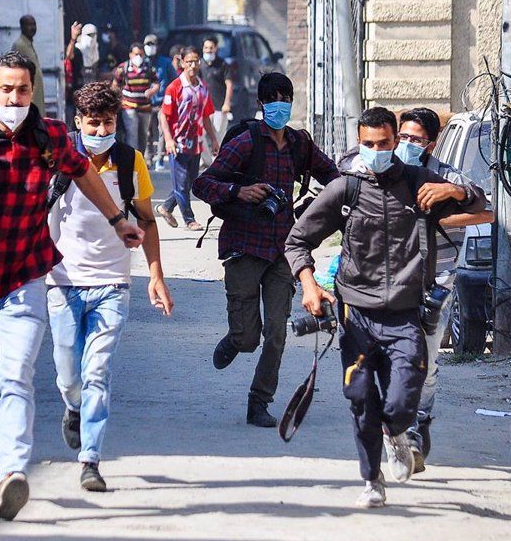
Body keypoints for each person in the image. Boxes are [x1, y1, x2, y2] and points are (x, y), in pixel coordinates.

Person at [0, 51, 144, 521]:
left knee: (17, 377)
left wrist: (118, 219)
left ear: (32, 91)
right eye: (6, 89)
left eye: (22, 89)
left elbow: (84, 173)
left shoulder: (50, 136)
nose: (14, 98)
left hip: (26, 277)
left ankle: (12, 473)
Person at [284, 107, 486, 509]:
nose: (376, 151)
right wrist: (308, 284)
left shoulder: (419, 183)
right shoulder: (346, 189)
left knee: (402, 399)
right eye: (368, 144)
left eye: (384, 143)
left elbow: (485, 202)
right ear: (360, 142)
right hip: (356, 315)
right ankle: (372, 480)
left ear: (396, 142)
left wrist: (455, 191)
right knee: (360, 399)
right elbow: (296, 240)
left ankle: (396, 433)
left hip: (405, 315)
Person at [338, 107, 486, 472]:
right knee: (382, 363)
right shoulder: (369, 171)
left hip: (434, 284)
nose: (404, 145)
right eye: (400, 137)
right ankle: (391, 433)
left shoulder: (442, 177)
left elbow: (486, 211)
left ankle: (416, 431)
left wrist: (443, 202)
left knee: (427, 363)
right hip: (386, 286)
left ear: (430, 144)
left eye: (414, 140)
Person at [192, 72, 340, 426]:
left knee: (276, 331)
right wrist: (238, 192)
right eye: (273, 100)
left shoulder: (299, 144)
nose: (281, 106)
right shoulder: (245, 143)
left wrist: (338, 198)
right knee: (248, 337)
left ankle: (259, 401)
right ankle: (236, 340)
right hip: (244, 244)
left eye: (286, 99)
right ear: (261, 104)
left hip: (282, 248)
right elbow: (203, 183)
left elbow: (331, 175)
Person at [47, 80, 174, 491]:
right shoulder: (58, 160)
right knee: (70, 375)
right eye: (94, 123)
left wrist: (155, 275)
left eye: (108, 123)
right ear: (78, 122)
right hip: (61, 284)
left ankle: (91, 459)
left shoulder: (130, 162)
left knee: (97, 372)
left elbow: (148, 220)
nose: (101, 132)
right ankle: (72, 406)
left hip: (113, 285)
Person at [155, 47, 219, 231]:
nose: (193, 65)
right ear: (182, 63)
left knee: (190, 181)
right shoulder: (174, 87)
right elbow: (163, 116)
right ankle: (189, 219)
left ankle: (166, 207)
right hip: (177, 143)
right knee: (181, 182)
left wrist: (213, 140)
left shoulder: (202, 88)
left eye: (196, 61)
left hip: (196, 142)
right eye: (189, 61)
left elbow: (206, 116)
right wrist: (168, 139)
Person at [112, 42, 160, 158]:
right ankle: (132, 160)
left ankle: (140, 158)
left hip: (145, 107)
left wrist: (152, 91)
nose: (138, 57)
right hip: (129, 107)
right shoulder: (123, 68)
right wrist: (116, 99)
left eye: (141, 54)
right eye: (136, 54)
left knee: (143, 135)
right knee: (132, 135)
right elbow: (115, 85)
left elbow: (156, 83)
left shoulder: (149, 68)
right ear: (130, 55)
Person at [199, 36, 235, 167]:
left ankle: (217, 162)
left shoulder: (223, 65)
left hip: (219, 107)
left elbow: (229, 84)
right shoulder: (199, 65)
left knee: (218, 136)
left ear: (216, 49)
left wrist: (227, 103)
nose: (208, 51)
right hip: (203, 108)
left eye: (211, 48)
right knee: (201, 135)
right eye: (206, 48)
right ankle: (206, 160)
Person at [13, 15, 45, 114]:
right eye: (29, 25)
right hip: (28, 95)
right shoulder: (20, 45)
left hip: (35, 94)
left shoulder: (28, 44)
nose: (32, 28)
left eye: (34, 24)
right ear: (22, 27)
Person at [64, 21, 86, 126]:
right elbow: (68, 56)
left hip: (77, 90)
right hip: (67, 93)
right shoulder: (63, 51)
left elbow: (70, 55)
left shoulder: (78, 51)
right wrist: (73, 39)